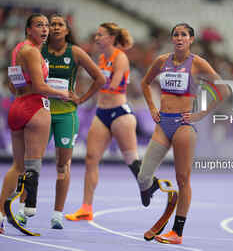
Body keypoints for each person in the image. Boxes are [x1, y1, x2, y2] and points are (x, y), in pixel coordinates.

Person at [136, 23, 229, 244]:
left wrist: (201, 114)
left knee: (183, 179)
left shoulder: (198, 64)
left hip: (183, 126)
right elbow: (145, 83)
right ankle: (159, 192)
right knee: (142, 177)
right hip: (163, 123)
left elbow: (223, 89)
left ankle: (177, 232)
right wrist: (151, 107)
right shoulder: (162, 61)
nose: (179, 38)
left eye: (183, 35)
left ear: (191, 39)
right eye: (176, 35)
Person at [15, 13, 105, 230]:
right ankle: (21, 210)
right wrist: (18, 88)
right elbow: (18, 71)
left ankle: (57, 214)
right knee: (30, 163)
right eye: (51, 24)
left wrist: (80, 99)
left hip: (66, 114)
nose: (54, 27)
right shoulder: (36, 50)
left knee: (62, 165)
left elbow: (100, 79)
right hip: (39, 112)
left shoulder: (75, 52)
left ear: (66, 30)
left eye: (59, 25)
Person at [65, 22, 145, 221]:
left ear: (110, 38)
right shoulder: (100, 58)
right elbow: (98, 83)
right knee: (91, 159)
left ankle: (146, 185)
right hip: (101, 113)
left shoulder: (121, 58)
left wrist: (89, 90)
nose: (96, 38)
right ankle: (86, 207)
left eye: (100, 35)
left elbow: (113, 85)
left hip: (120, 114)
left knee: (131, 160)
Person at [0, 13, 70, 234]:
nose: (45, 29)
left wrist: (25, 91)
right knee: (33, 166)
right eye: (39, 25)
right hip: (35, 107)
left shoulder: (18, 49)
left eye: (47, 25)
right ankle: (28, 209)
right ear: (28, 30)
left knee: (17, 166)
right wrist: (62, 93)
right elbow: (40, 87)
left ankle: (1, 214)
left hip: (17, 106)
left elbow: (13, 84)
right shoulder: (32, 52)